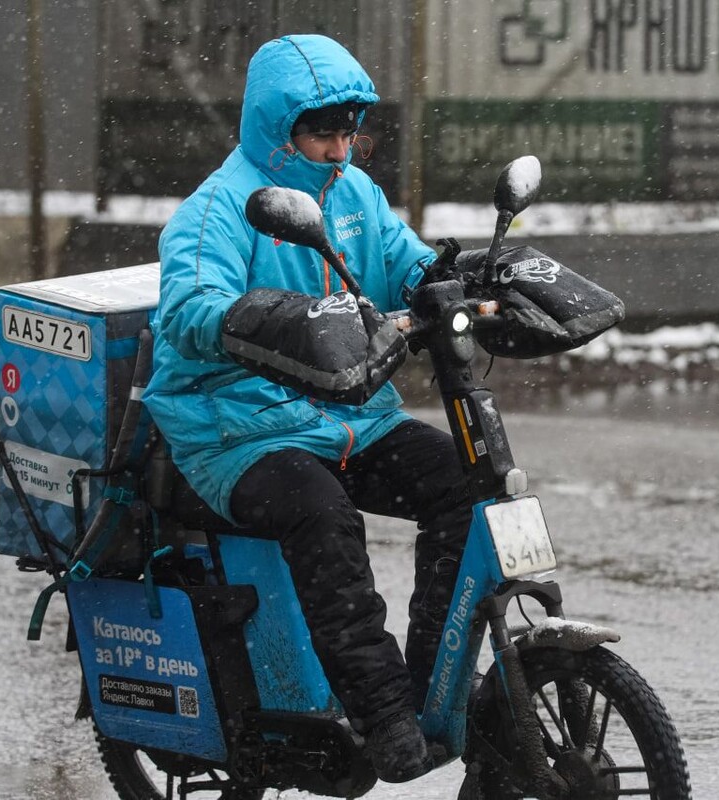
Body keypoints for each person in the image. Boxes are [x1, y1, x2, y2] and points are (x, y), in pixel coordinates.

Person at [142, 34, 471, 783]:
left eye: (350, 130)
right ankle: (382, 711)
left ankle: (433, 683)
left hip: (347, 415)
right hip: (230, 430)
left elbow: (402, 260)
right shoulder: (217, 210)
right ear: (274, 127)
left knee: (464, 481)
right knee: (321, 512)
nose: (339, 148)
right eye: (322, 131)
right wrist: (275, 319)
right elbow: (191, 308)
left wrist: (456, 279)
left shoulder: (352, 193)